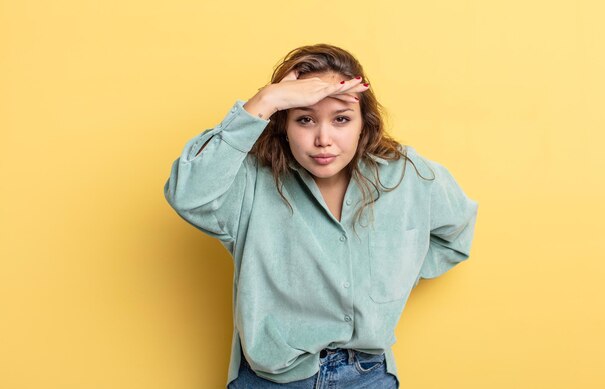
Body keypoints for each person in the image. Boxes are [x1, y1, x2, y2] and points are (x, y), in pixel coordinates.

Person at [163, 43, 479, 389]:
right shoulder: (249, 180)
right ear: (283, 125)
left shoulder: (404, 174)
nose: (323, 139)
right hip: (272, 378)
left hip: (369, 375)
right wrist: (265, 100)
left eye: (341, 119)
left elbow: (455, 233)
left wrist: (387, 277)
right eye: (304, 119)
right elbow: (188, 194)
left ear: (363, 124)